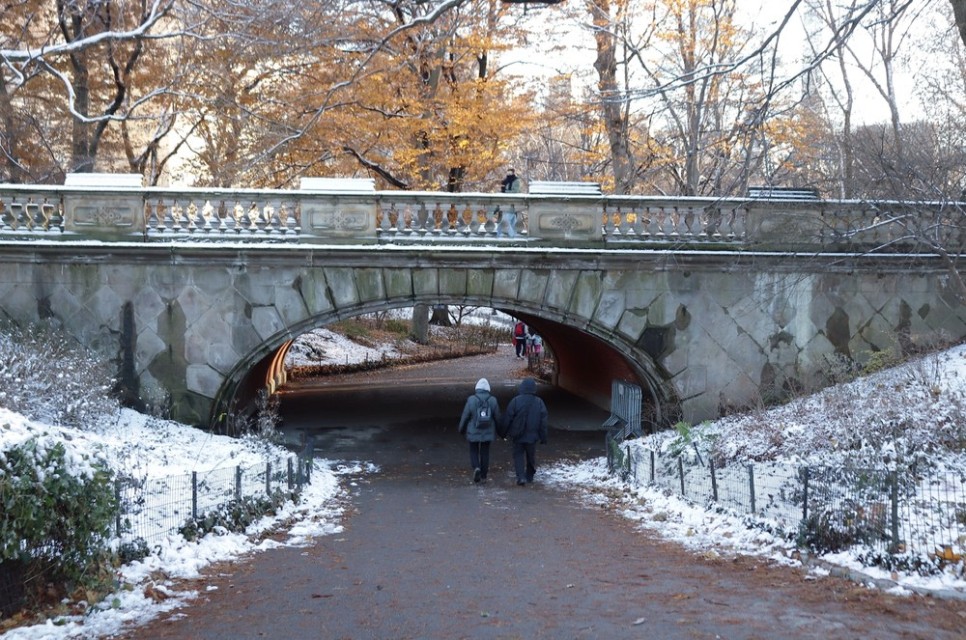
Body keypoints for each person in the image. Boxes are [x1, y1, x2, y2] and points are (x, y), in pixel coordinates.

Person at [501, 378, 548, 486]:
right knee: (530, 455)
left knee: (518, 455)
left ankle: (521, 476)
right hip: (532, 435)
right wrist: (543, 437)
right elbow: (543, 422)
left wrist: (503, 432)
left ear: (522, 388)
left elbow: (508, 418)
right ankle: (530, 475)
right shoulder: (539, 402)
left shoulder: (515, 401)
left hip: (518, 435)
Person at [458, 378, 501, 483]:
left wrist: (461, 429)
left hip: (473, 430)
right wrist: (501, 431)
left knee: (473, 449)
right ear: (488, 388)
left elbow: (465, 416)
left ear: (477, 387)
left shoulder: (471, 399)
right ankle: (484, 476)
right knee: (485, 452)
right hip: (488, 431)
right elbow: (498, 418)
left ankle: (476, 467)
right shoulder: (493, 400)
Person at [497, 168, 521, 238]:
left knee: (505, 223)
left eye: (510, 173)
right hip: (504, 204)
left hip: (512, 204)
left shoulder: (516, 181)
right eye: (508, 172)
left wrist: (505, 191)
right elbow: (502, 191)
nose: (508, 174)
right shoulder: (504, 181)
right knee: (510, 223)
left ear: (513, 173)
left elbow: (515, 191)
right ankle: (511, 238)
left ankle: (511, 237)